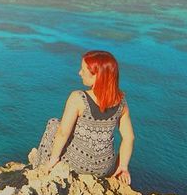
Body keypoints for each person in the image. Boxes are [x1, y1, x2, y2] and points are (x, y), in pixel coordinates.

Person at [28, 50, 134, 184]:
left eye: (83, 70)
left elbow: (63, 133)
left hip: (78, 164)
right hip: (105, 167)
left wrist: (53, 159)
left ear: (97, 76)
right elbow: (129, 138)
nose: (79, 73)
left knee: (54, 124)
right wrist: (123, 166)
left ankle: (40, 167)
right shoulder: (121, 102)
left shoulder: (79, 98)